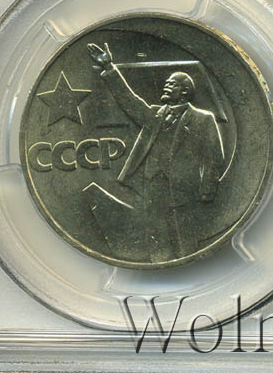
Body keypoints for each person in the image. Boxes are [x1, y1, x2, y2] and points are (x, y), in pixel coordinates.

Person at [87, 42, 225, 261]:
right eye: (166, 84)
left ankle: (188, 268)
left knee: (184, 239)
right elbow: (129, 100)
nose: (166, 87)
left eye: (172, 84)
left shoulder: (203, 119)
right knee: (156, 236)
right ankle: (159, 267)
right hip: (151, 187)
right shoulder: (154, 115)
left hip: (183, 190)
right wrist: (109, 68)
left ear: (185, 91)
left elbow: (213, 157)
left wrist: (208, 189)